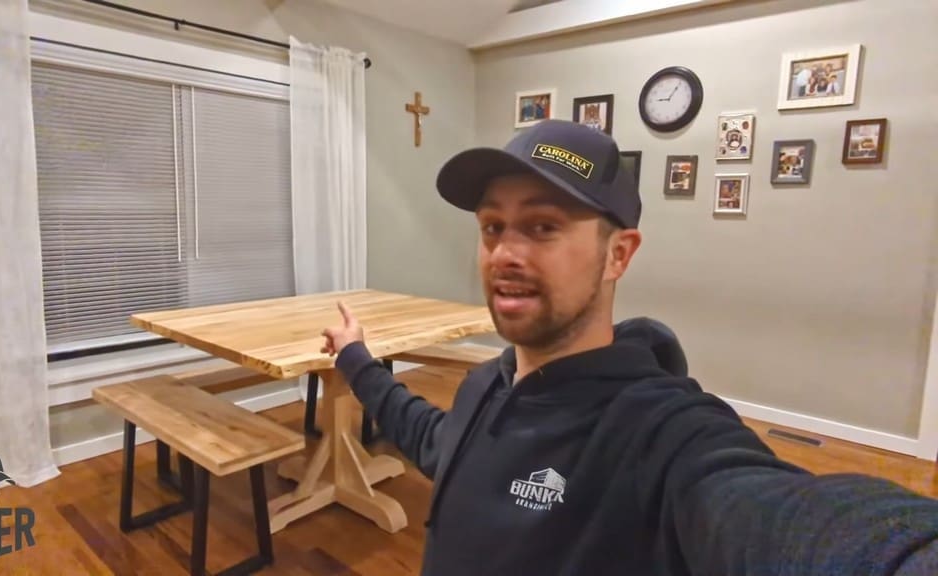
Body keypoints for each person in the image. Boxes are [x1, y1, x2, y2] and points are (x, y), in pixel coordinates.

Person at [319, 119, 938, 575]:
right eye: (492, 227)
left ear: (618, 255)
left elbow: (779, 518)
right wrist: (355, 356)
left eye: (542, 226)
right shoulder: (486, 385)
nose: (504, 252)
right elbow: (435, 440)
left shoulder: (662, 434)